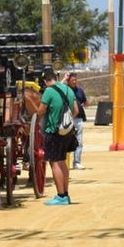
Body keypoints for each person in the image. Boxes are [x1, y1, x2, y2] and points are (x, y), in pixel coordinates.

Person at [36, 67, 78, 206]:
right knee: (62, 162)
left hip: (53, 131)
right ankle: (65, 194)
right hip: (68, 131)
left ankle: (60, 196)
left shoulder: (49, 91)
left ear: (45, 81)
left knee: (54, 163)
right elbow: (76, 110)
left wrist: (36, 122)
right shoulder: (68, 89)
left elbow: (41, 111)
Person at [65, 72, 88, 169]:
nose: (74, 82)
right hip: (67, 118)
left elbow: (85, 102)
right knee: (65, 140)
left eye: (75, 80)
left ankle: (77, 162)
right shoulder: (65, 90)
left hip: (78, 119)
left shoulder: (80, 91)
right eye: (72, 80)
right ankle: (64, 162)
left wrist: (82, 105)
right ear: (68, 81)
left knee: (79, 141)